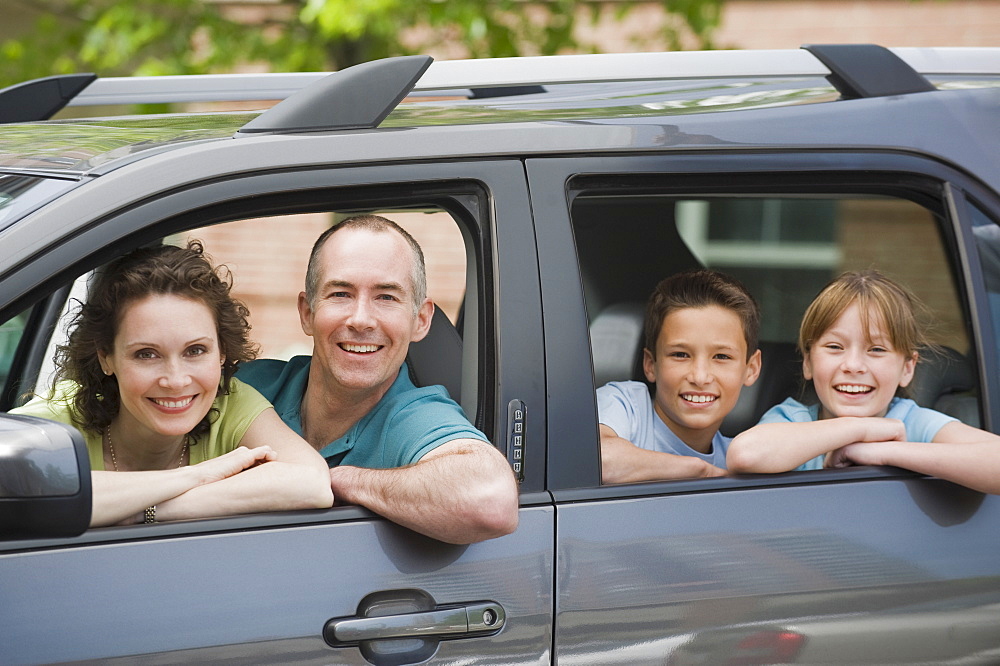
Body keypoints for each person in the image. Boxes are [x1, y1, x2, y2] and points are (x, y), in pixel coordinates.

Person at [237, 214, 519, 544]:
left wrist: (329, 480)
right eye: (341, 293)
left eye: (386, 297)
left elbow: (491, 501)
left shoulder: (415, 416)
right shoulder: (246, 387)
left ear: (421, 320)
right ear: (307, 313)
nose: (361, 319)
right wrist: (157, 512)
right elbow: (158, 496)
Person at [10, 241, 333, 527]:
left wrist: (149, 511)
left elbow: (311, 482)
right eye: (146, 354)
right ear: (106, 357)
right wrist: (194, 476)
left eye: (196, 351)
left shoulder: (230, 402)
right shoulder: (58, 420)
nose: (176, 380)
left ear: (222, 352)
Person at [727, 269, 1000, 495]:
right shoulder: (792, 421)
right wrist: (860, 428)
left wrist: (882, 453)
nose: (854, 366)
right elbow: (745, 455)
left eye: (877, 350)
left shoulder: (913, 422)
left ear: (908, 368)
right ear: (808, 362)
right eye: (835, 347)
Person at [597, 269, 762, 484]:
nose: (700, 377)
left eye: (721, 356)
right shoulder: (625, 405)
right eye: (680, 354)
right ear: (650, 364)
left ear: (751, 369)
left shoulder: (738, 458)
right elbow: (598, 460)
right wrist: (698, 471)